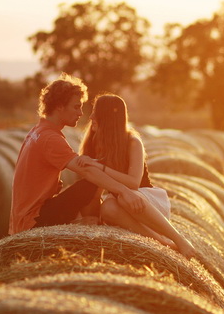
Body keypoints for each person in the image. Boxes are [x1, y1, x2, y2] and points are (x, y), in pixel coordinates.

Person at [9, 73, 146, 236]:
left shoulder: (37, 131)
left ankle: (88, 223)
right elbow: (87, 171)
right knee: (91, 182)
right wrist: (125, 192)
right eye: (76, 106)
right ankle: (97, 230)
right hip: (33, 221)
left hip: (24, 218)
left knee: (89, 180)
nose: (81, 113)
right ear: (60, 106)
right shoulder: (50, 138)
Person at [77, 93, 197, 259]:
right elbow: (95, 184)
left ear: (107, 118)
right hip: (123, 207)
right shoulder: (93, 141)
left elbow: (133, 183)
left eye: (95, 112)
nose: (91, 116)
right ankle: (163, 243)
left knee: (124, 196)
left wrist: (99, 166)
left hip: (147, 203)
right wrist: (92, 216)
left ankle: (179, 239)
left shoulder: (133, 142)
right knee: (108, 208)